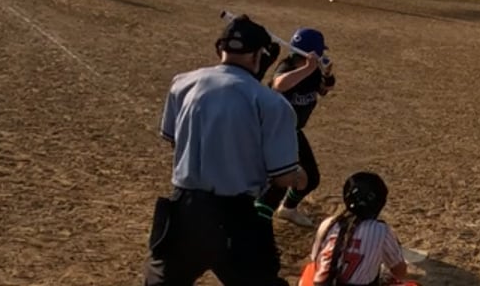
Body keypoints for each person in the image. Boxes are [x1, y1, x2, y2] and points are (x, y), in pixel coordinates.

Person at [144, 14, 306, 286]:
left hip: (184, 210)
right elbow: (282, 178)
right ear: (259, 56)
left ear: (220, 48)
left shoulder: (182, 83)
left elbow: (175, 141)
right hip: (236, 216)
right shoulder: (272, 103)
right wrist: (298, 176)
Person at [261, 29, 336, 228]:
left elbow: (325, 90)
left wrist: (326, 74)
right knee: (278, 181)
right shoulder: (287, 67)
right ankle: (258, 220)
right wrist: (308, 69)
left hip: (292, 131)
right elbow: (279, 85)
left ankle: (288, 208)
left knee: (311, 178)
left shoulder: (313, 71)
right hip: (273, 132)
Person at [301, 172, 413, 286]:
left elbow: (315, 259)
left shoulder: (328, 224)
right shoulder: (381, 230)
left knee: (311, 269)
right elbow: (400, 272)